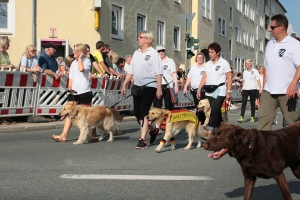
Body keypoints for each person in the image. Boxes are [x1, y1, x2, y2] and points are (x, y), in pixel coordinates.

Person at [121, 30, 163, 149]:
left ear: (148, 40)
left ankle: (142, 139)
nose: (138, 39)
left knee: (144, 111)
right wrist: (124, 85)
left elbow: (158, 73)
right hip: (137, 86)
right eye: (138, 37)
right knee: (137, 113)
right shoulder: (136, 53)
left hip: (150, 85)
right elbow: (131, 71)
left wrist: (159, 88)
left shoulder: (153, 53)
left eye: (140, 37)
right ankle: (153, 130)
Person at [257, 14, 300, 130]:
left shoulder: (295, 44)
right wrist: (265, 85)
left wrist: (293, 84)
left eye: (272, 27)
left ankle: (292, 148)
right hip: (269, 91)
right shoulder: (270, 44)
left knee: (291, 126)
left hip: (287, 91)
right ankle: (262, 148)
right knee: (263, 124)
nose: (270, 30)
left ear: (282, 27)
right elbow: (266, 67)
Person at [51, 43, 97, 142]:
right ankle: (63, 135)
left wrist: (80, 58)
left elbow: (81, 69)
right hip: (74, 92)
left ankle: (93, 132)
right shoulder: (73, 63)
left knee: (88, 115)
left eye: (75, 51)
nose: (73, 52)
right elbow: (71, 76)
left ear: (81, 52)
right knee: (68, 112)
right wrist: (70, 86)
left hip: (84, 91)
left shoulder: (87, 61)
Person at [196, 42, 232, 138]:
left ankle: (209, 132)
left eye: (212, 52)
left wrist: (229, 92)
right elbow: (204, 77)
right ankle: (222, 130)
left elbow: (229, 77)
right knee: (216, 112)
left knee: (215, 110)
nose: (210, 54)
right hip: (209, 90)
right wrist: (199, 89)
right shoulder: (207, 64)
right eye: (209, 52)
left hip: (220, 90)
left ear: (218, 52)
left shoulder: (224, 63)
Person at [153, 45, 178, 111]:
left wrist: (176, 86)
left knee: (168, 105)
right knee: (157, 106)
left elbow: (174, 73)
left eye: (162, 50)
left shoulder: (170, 61)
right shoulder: (155, 62)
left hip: (168, 86)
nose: (161, 52)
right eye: (159, 51)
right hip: (158, 86)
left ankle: (169, 120)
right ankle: (158, 120)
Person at [183, 52, 206, 123]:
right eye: (198, 57)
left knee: (201, 107)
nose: (199, 59)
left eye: (201, 58)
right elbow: (189, 78)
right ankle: (202, 121)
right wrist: (185, 87)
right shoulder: (193, 67)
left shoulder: (206, 66)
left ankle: (198, 121)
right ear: (196, 58)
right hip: (194, 90)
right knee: (197, 106)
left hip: (203, 90)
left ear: (203, 59)